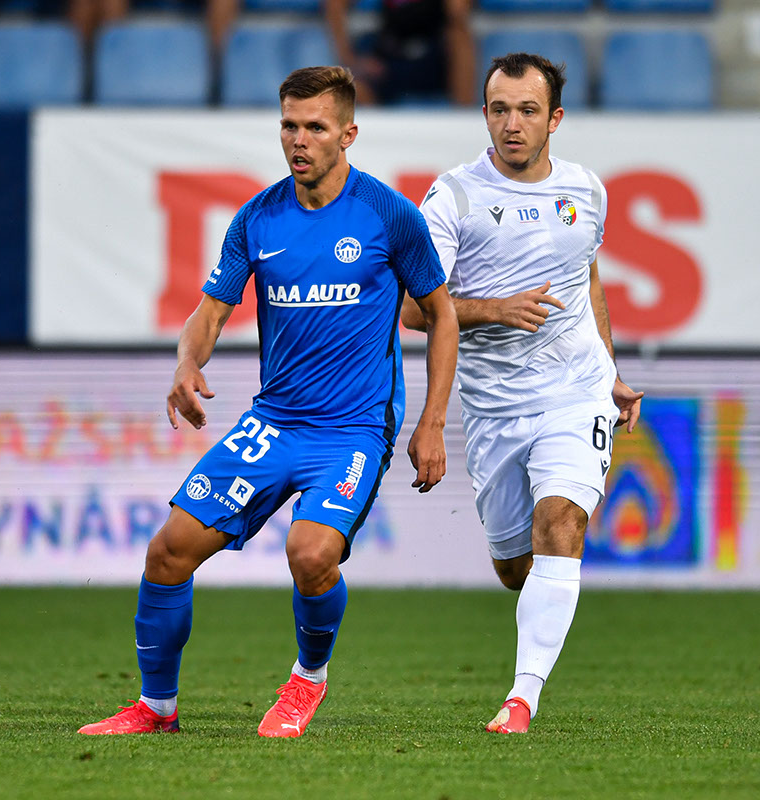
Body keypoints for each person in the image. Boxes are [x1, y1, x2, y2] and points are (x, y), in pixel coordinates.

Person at [80, 65, 458, 739]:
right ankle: (156, 708)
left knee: (311, 555)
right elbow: (210, 312)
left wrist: (432, 423)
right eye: (289, 125)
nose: (299, 140)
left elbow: (441, 314)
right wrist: (187, 362)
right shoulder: (257, 218)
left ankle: (307, 679)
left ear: (348, 133)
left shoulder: (388, 215)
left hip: (352, 430)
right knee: (168, 552)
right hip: (274, 423)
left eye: (315, 127)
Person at [402, 52, 644, 734]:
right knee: (514, 566)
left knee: (561, 521)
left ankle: (521, 698)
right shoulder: (453, 198)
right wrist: (494, 309)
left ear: (554, 119)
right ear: (485, 114)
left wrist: (610, 370)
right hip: (495, 409)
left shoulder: (586, 191)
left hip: (576, 393)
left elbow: (586, 279)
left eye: (528, 111)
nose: (513, 124)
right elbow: (414, 310)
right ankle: (539, 597)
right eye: (501, 110)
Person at [323, 0, 475, 107]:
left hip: (436, 57)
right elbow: (335, 5)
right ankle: (378, 136)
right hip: (390, 56)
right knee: (350, 89)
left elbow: (458, 14)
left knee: (458, 40)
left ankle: (464, 122)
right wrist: (350, 59)